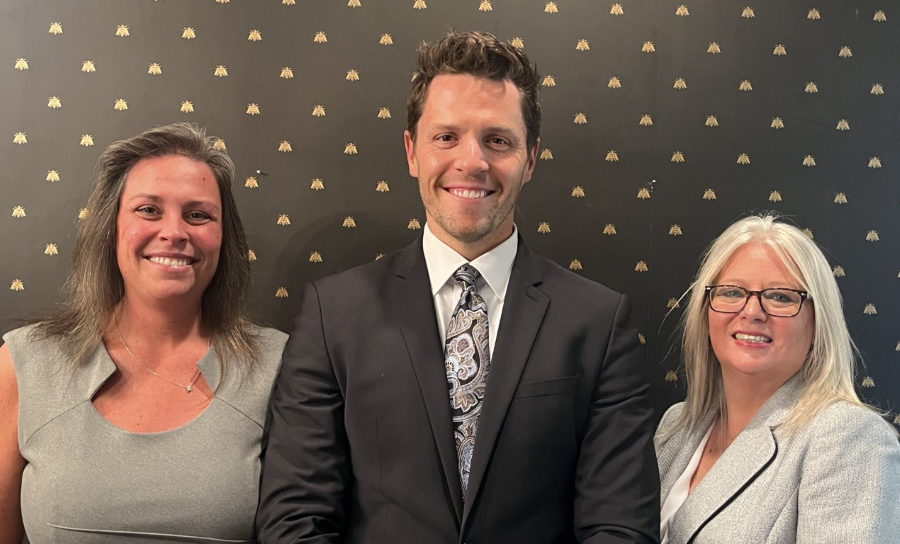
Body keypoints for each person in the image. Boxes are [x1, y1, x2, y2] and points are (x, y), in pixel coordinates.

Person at [257, 30, 659, 544]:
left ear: (530, 158)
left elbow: (620, 526)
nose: (472, 161)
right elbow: (295, 517)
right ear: (412, 151)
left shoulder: (597, 323)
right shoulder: (333, 313)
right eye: (446, 137)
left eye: (498, 140)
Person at [0, 123, 287, 543]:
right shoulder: (23, 364)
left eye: (198, 214)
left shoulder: (276, 366)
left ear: (224, 238)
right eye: (149, 210)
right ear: (110, 227)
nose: (174, 232)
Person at [655, 214, 900, 544]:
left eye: (781, 296)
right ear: (706, 311)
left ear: (817, 324)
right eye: (731, 292)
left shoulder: (848, 437)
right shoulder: (677, 427)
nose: (752, 311)